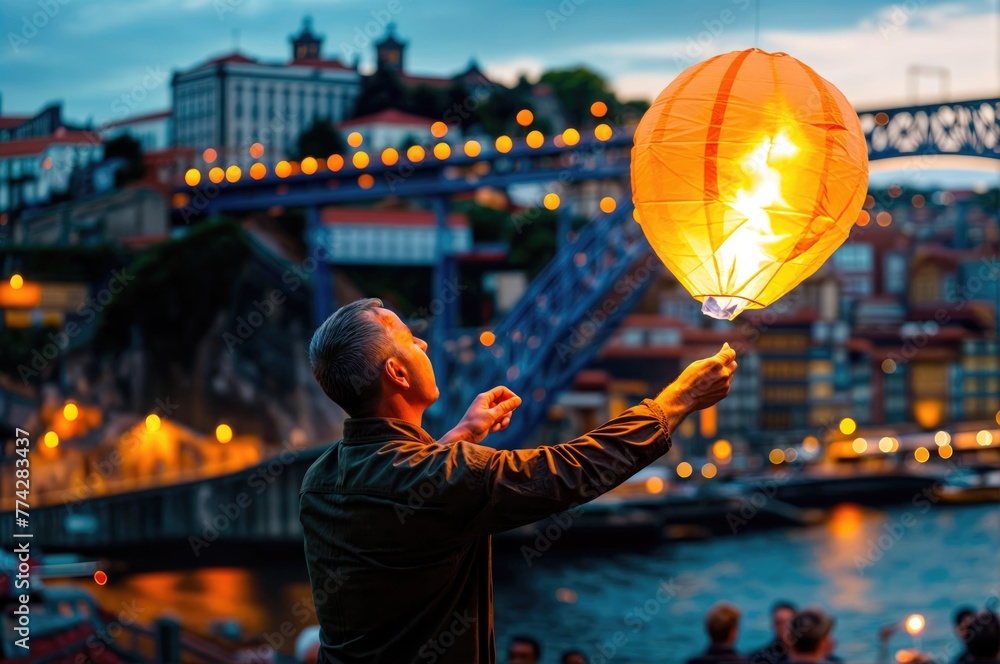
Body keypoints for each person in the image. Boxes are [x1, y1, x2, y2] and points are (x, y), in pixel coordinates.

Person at [298, 298, 737, 663]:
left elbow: (411, 497)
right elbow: (571, 470)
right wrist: (678, 400)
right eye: (411, 339)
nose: (425, 341)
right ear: (396, 373)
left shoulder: (319, 481)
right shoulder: (446, 479)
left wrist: (463, 434)